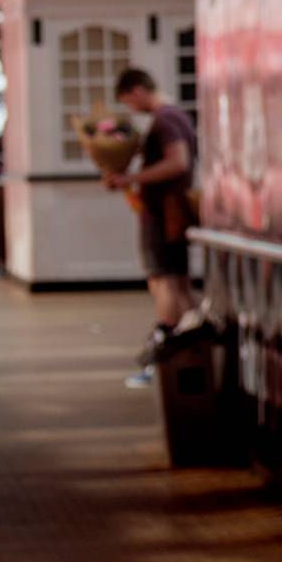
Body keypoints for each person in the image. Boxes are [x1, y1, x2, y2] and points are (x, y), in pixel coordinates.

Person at [103, 65, 199, 388]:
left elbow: (178, 161)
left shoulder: (166, 120)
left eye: (128, 101)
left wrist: (130, 178)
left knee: (164, 279)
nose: (130, 108)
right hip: (172, 210)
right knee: (179, 281)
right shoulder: (179, 116)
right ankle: (191, 350)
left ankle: (168, 345)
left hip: (162, 212)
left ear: (137, 91)